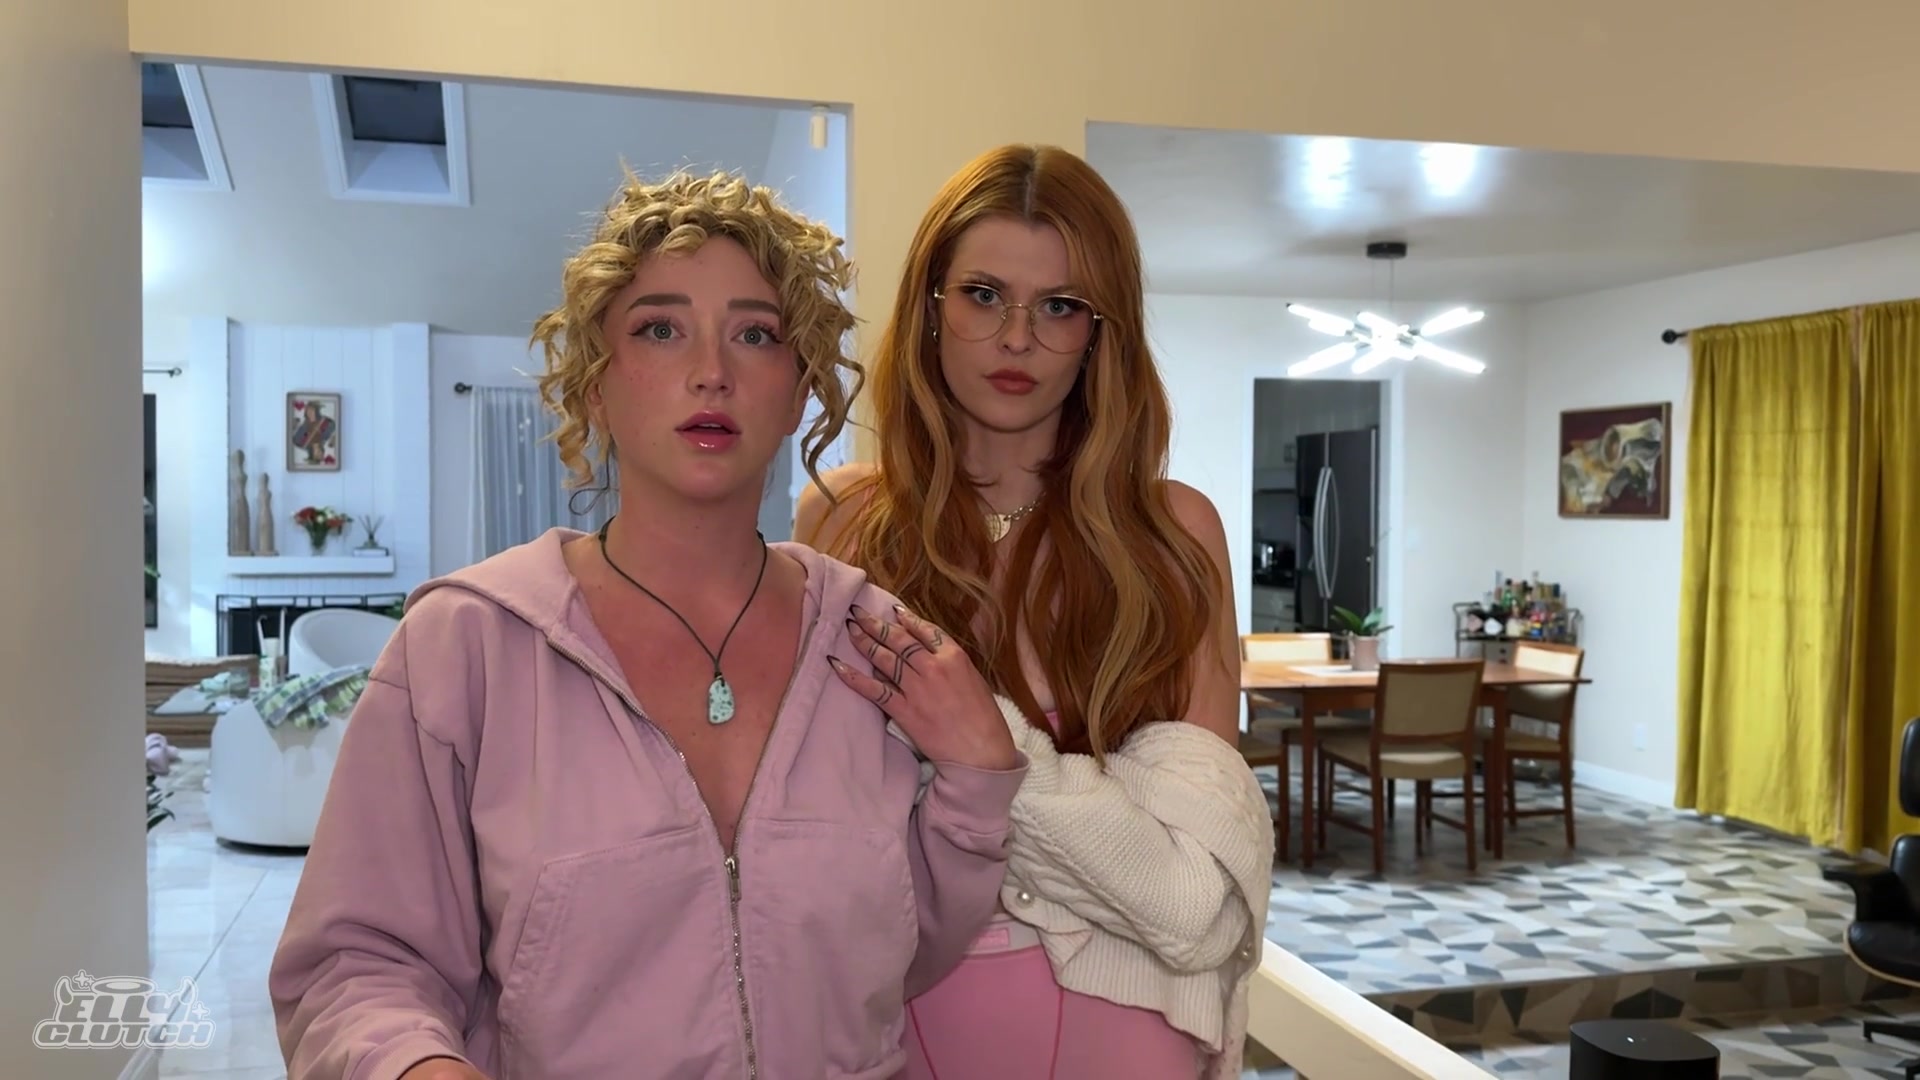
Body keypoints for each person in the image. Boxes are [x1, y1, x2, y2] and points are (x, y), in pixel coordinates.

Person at [269, 169, 1031, 1080]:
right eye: (660, 329)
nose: (712, 371)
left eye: (756, 334)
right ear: (595, 384)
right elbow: (352, 967)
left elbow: (905, 954)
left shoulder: (874, 641)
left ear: (799, 390)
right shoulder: (467, 645)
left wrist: (977, 782)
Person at [797, 144, 1276, 1080]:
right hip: (905, 1021)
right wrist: (1086, 825)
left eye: (1059, 306)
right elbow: (828, 827)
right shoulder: (843, 520)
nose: (1017, 338)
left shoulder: (1173, 533)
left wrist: (982, 754)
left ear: (1101, 332)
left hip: (1130, 1026)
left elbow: (1191, 897)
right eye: (984, 295)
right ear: (930, 306)